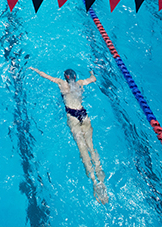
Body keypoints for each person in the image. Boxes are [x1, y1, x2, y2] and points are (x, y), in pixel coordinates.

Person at [30, 67, 108, 204]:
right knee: (91, 145)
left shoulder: (61, 83)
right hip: (84, 115)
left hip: (72, 116)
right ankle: (101, 176)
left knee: (82, 148)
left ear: (65, 76)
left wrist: (34, 69)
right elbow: (94, 79)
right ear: (75, 77)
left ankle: (95, 182)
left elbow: (45, 75)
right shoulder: (81, 83)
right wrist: (91, 73)